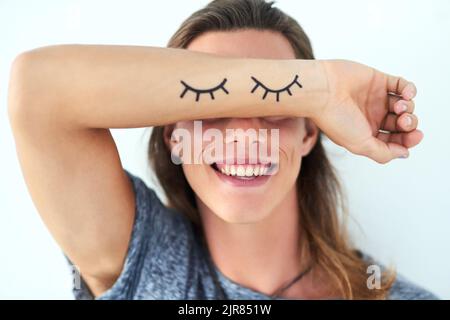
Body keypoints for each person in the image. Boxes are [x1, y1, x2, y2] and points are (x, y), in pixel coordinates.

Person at [8, 0, 436, 299]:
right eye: (211, 108)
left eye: (278, 106)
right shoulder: (146, 263)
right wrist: (314, 85)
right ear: (173, 136)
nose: (245, 136)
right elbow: (37, 87)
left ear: (311, 132)